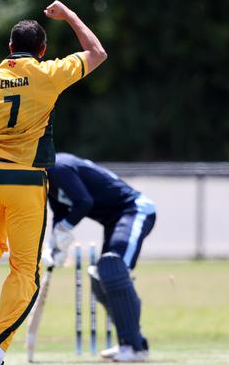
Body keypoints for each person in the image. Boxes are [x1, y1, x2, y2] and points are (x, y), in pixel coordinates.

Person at [0, 1, 107, 364]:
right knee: (26, 272)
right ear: (42, 50)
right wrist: (69, 15)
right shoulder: (48, 73)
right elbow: (97, 52)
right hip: (26, 183)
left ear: (9, 48)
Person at [44, 152, 156, 362]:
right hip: (114, 221)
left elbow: (84, 202)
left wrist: (64, 229)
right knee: (99, 277)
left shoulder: (58, 166)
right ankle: (132, 341)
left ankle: (134, 347)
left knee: (112, 266)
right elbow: (59, 214)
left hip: (134, 210)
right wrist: (55, 246)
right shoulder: (46, 179)